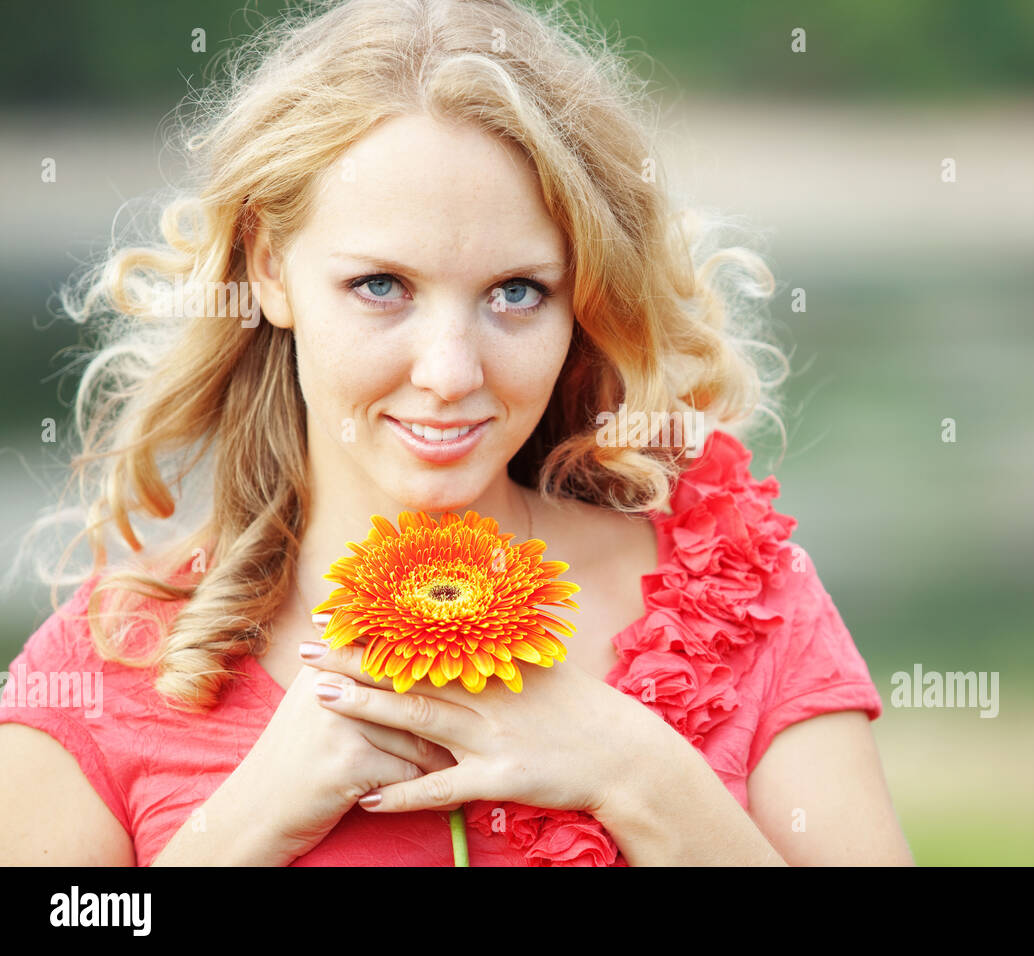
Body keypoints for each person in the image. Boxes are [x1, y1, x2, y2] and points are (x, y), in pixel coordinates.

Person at [0, 0, 912, 866]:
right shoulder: (104, 668)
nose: (450, 373)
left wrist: (645, 779)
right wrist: (247, 824)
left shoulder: (743, 605)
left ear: (583, 299)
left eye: (516, 292)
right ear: (269, 270)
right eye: (381, 287)